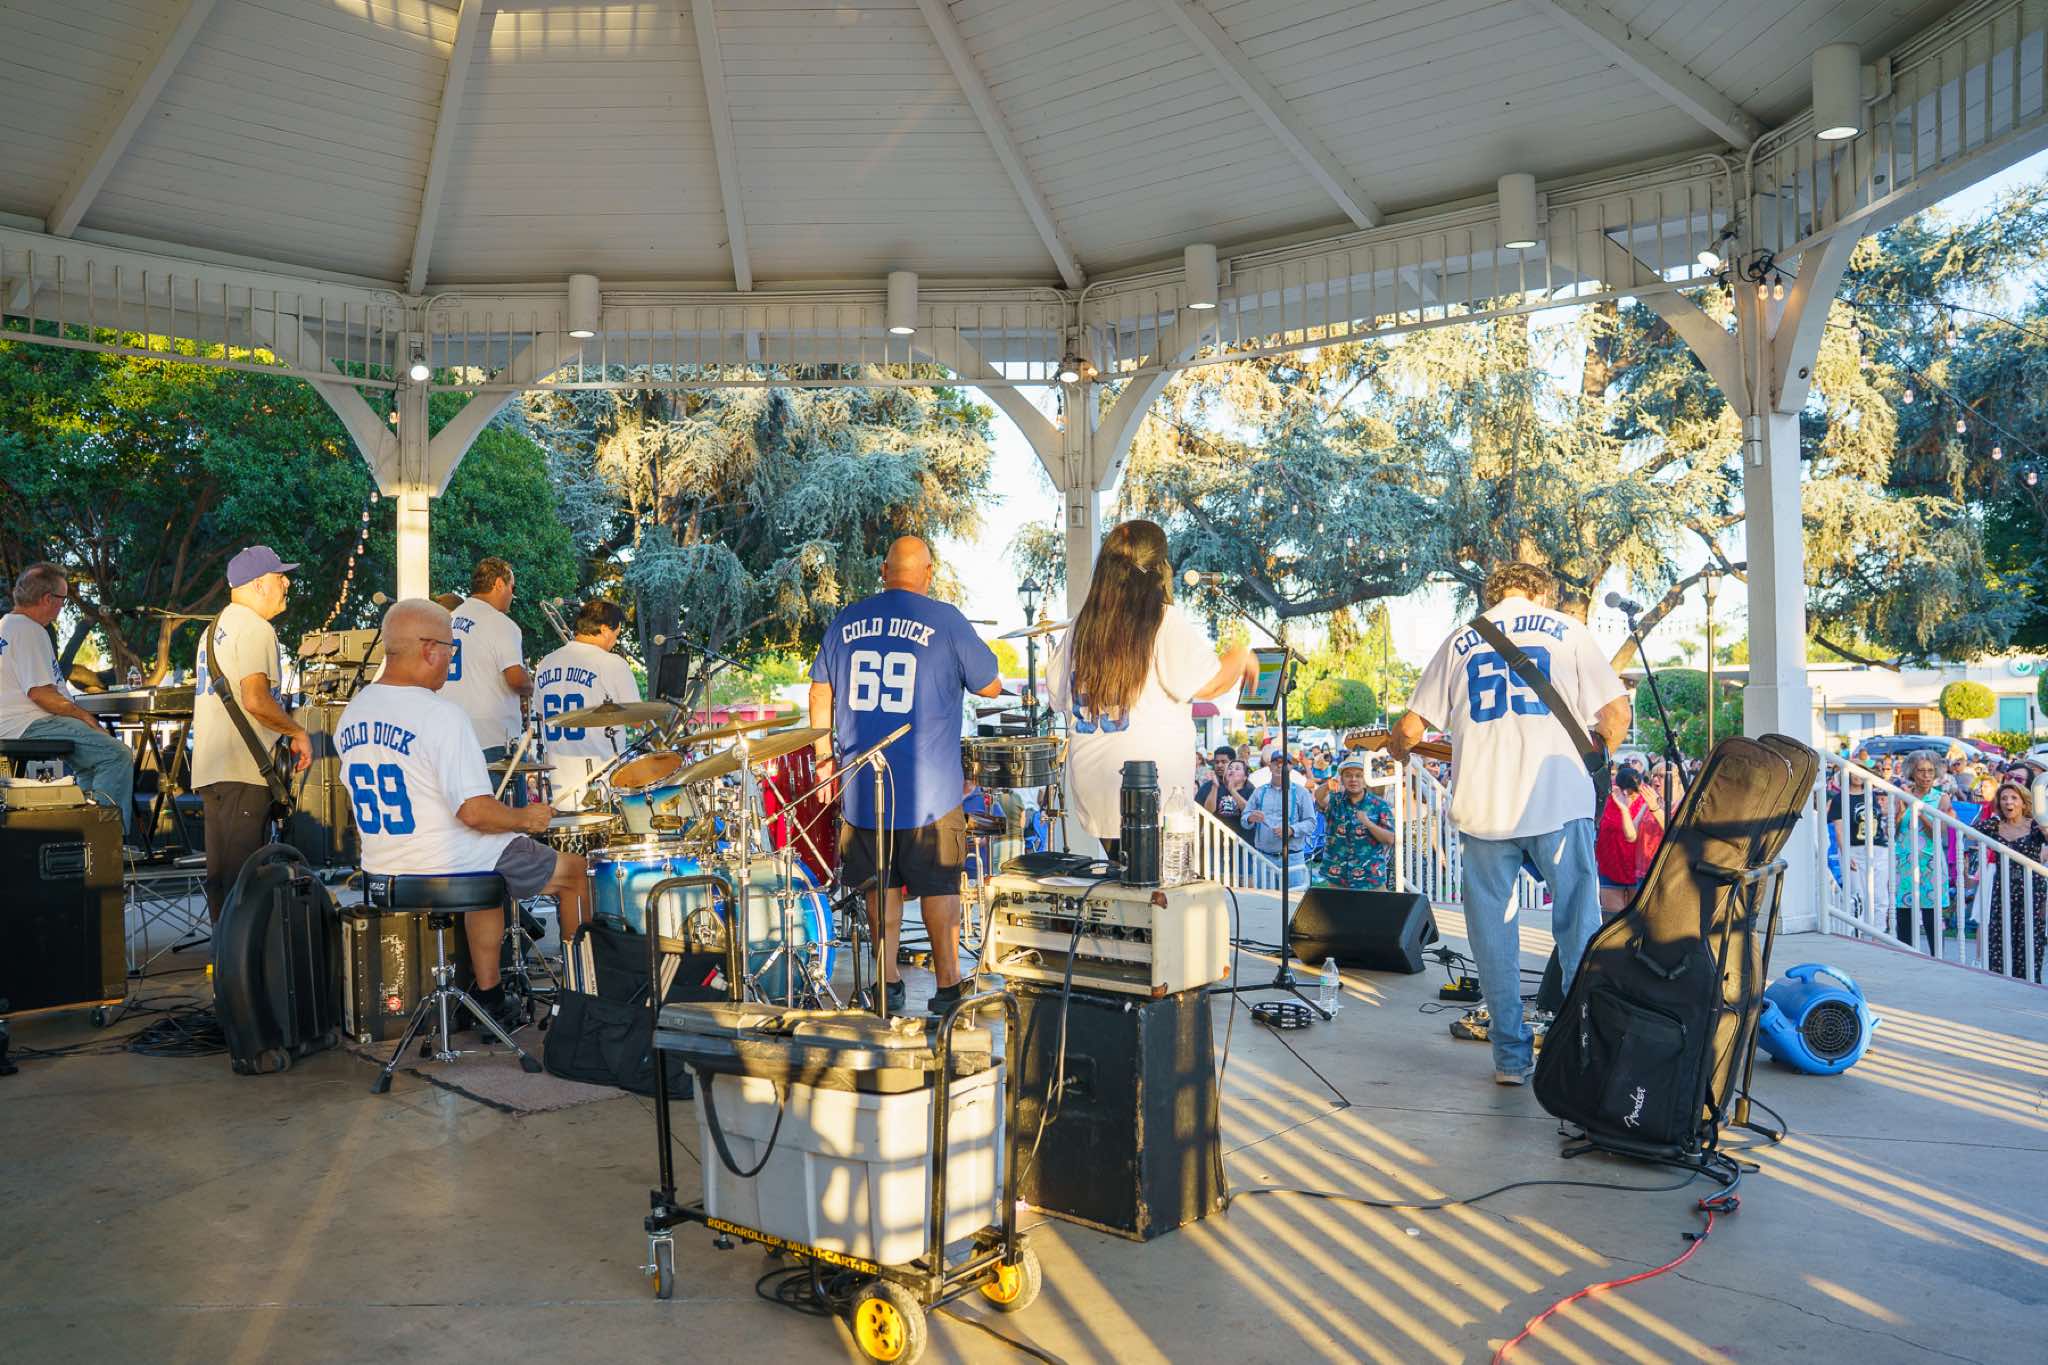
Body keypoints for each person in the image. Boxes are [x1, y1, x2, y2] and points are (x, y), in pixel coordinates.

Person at [1391, 562, 1631, 1085]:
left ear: (1490, 596)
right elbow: (1615, 715)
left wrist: (1397, 747)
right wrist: (1596, 757)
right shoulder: (1568, 630)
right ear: (1542, 593)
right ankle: (1582, 1054)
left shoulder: (1460, 639)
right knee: (1578, 930)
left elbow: (1410, 728)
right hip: (1558, 801)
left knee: (1493, 938)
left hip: (1484, 808)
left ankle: (1510, 1061)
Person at [338, 599, 589, 1033]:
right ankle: (581, 1000)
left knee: (488, 871)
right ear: (429, 649)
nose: (451, 660)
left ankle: (489, 998)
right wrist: (525, 818)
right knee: (575, 873)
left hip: (384, 870)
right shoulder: (441, 715)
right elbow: (474, 813)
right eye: (452, 650)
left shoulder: (353, 712)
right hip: (443, 860)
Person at [809, 537, 1002, 1018]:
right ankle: (948, 987)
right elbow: (990, 686)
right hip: (930, 792)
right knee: (939, 887)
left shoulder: (847, 620)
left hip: (863, 786)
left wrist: (824, 759)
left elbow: (818, 691)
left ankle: (888, 982)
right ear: (929, 573)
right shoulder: (946, 619)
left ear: (884, 569)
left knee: (881, 887)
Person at [1048, 520, 1253, 865]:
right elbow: (1209, 684)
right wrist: (1241, 656)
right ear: (1160, 567)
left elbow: (1056, 696)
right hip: (1151, 794)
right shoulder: (1161, 620)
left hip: (1096, 793)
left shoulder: (1081, 628)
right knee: (1158, 891)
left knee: (1126, 883)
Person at [190, 547, 314, 921]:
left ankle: (225, 951)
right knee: (243, 885)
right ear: (259, 584)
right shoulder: (255, 627)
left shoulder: (214, 629)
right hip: (243, 771)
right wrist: (297, 731)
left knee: (224, 881)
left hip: (215, 770)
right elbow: (256, 700)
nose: (286, 583)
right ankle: (240, 954)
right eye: (280, 576)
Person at [0, 562, 137, 835]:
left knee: (90, 764)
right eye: (63, 599)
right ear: (47, 599)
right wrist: (86, 717)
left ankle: (81, 840)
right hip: (29, 724)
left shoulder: (7, 625)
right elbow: (40, 694)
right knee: (116, 755)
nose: (63, 607)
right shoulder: (29, 629)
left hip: (15, 724)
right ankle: (106, 842)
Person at [443, 557, 533, 803]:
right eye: (512, 587)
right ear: (499, 584)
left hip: (452, 735)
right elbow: (516, 679)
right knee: (506, 819)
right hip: (493, 739)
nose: (513, 595)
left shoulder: (448, 620)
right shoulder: (500, 623)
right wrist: (531, 686)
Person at [531, 599, 642, 793]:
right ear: (605, 629)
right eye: (616, 635)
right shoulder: (613, 663)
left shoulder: (546, 663)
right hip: (603, 785)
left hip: (559, 784)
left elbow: (540, 715)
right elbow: (637, 721)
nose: (615, 641)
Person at [1973, 780, 2046, 981]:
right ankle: (2001, 982)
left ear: (2023, 802)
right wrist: (1993, 816)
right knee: (2000, 935)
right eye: (2004, 798)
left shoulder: (2034, 826)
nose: (2008, 802)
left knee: (2030, 937)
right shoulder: (1994, 825)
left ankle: (2029, 982)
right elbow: (1968, 831)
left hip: (2032, 889)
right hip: (2003, 887)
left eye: (2014, 798)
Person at [1893, 752, 1954, 953]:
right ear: (1912, 772)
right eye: (1921, 771)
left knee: (1932, 918)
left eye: (1930, 771)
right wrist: (1901, 812)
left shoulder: (1941, 798)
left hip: (1931, 864)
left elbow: (1938, 833)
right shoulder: (1901, 795)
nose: (1926, 776)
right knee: (1904, 917)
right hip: (1905, 863)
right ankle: (1906, 960)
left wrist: (1918, 810)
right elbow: (1892, 832)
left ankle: (1937, 961)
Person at [1314, 754, 1394, 890]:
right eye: (1348, 775)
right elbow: (1319, 797)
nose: (1353, 779)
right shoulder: (1335, 800)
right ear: (1342, 779)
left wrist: (1368, 823)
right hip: (1338, 878)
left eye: (1359, 775)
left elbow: (1390, 839)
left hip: (1370, 879)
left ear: (1366, 779)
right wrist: (1328, 785)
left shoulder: (1379, 805)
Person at [1241, 749, 1317, 887]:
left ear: (1291, 767)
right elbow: (1244, 819)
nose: (1280, 766)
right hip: (1264, 859)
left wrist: (1292, 829)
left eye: (1285, 763)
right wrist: (1250, 818)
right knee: (1265, 898)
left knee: (1294, 898)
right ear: (1269, 766)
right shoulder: (1259, 792)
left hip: (1292, 859)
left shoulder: (1301, 793)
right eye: (1276, 762)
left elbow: (1311, 823)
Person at [1831, 760, 1892, 926]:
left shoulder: (1872, 796)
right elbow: (1839, 829)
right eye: (1853, 771)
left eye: (1861, 771)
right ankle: (1859, 933)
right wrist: (1846, 853)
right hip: (1854, 849)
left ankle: (1878, 933)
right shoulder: (1840, 799)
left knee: (1880, 896)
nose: (1857, 775)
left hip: (1878, 848)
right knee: (1859, 896)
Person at [1595, 765, 1662, 915]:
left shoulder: (1646, 802)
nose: (1631, 796)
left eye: (1634, 793)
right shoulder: (1608, 801)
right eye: (1628, 792)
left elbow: (1633, 834)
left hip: (1637, 869)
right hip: (1610, 866)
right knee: (1612, 917)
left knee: (1634, 917)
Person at [1206, 757, 1254, 822]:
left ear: (1245, 777)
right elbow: (1208, 811)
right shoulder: (1217, 787)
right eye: (1230, 768)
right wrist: (1215, 786)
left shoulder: (1250, 791)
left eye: (1237, 769)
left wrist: (1232, 790)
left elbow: (1249, 812)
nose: (1232, 770)